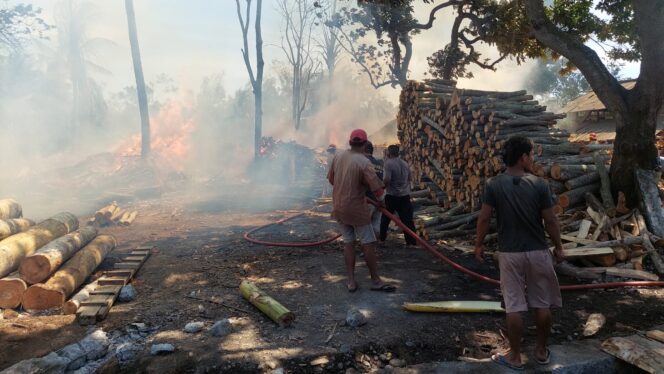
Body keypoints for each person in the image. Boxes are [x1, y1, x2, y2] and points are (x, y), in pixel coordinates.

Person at [474, 136, 564, 371]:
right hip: (538, 252)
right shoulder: (540, 185)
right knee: (542, 304)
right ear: (523, 157)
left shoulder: (494, 184)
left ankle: (515, 356)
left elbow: (484, 218)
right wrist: (559, 246)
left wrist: (478, 244)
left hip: (509, 254)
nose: (533, 159)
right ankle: (541, 351)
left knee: (514, 305)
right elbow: (551, 220)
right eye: (531, 155)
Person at [327, 129, 396, 293]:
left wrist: (345, 189)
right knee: (368, 243)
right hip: (357, 210)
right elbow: (378, 190)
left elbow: (331, 180)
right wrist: (382, 204)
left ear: (350, 142)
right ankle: (375, 280)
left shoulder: (338, 156)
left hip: (339, 207)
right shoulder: (364, 162)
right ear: (365, 144)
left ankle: (351, 281)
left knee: (348, 243)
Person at [379, 144, 417, 246]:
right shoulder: (405, 163)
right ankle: (412, 242)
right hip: (404, 196)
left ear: (388, 153)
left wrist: (381, 187)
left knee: (385, 218)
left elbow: (387, 179)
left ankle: (381, 239)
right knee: (407, 220)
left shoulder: (388, 163)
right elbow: (410, 178)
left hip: (392, 196)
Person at [364, 141, 384, 237]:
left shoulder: (363, 162)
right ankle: (375, 248)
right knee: (376, 225)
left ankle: (368, 248)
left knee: (364, 227)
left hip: (366, 200)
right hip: (378, 199)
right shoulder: (379, 163)